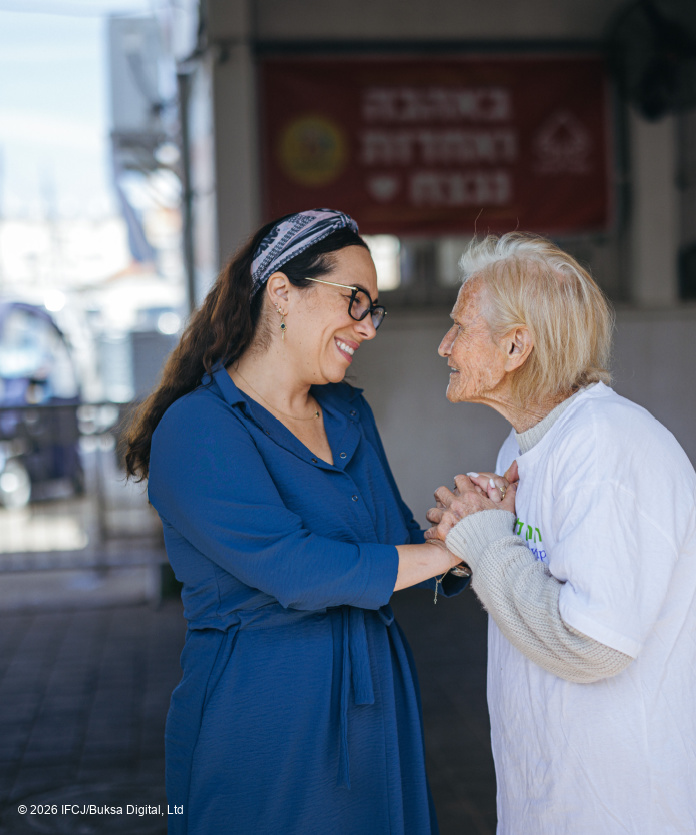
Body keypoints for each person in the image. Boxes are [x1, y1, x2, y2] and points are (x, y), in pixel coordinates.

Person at [123, 208, 467, 835]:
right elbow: (297, 570)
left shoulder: (347, 413)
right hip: (263, 715)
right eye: (354, 301)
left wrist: (472, 525)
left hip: (377, 700)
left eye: (374, 310)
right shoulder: (198, 429)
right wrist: (447, 552)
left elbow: (399, 545)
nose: (366, 328)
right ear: (282, 292)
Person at [426, 232, 696, 834]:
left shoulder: (607, 446)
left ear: (516, 345)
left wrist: (486, 539)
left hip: (631, 808)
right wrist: (487, 538)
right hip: (565, 795)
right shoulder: (535, 441)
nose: (444, 344)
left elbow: (592, 643)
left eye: (459, 326)